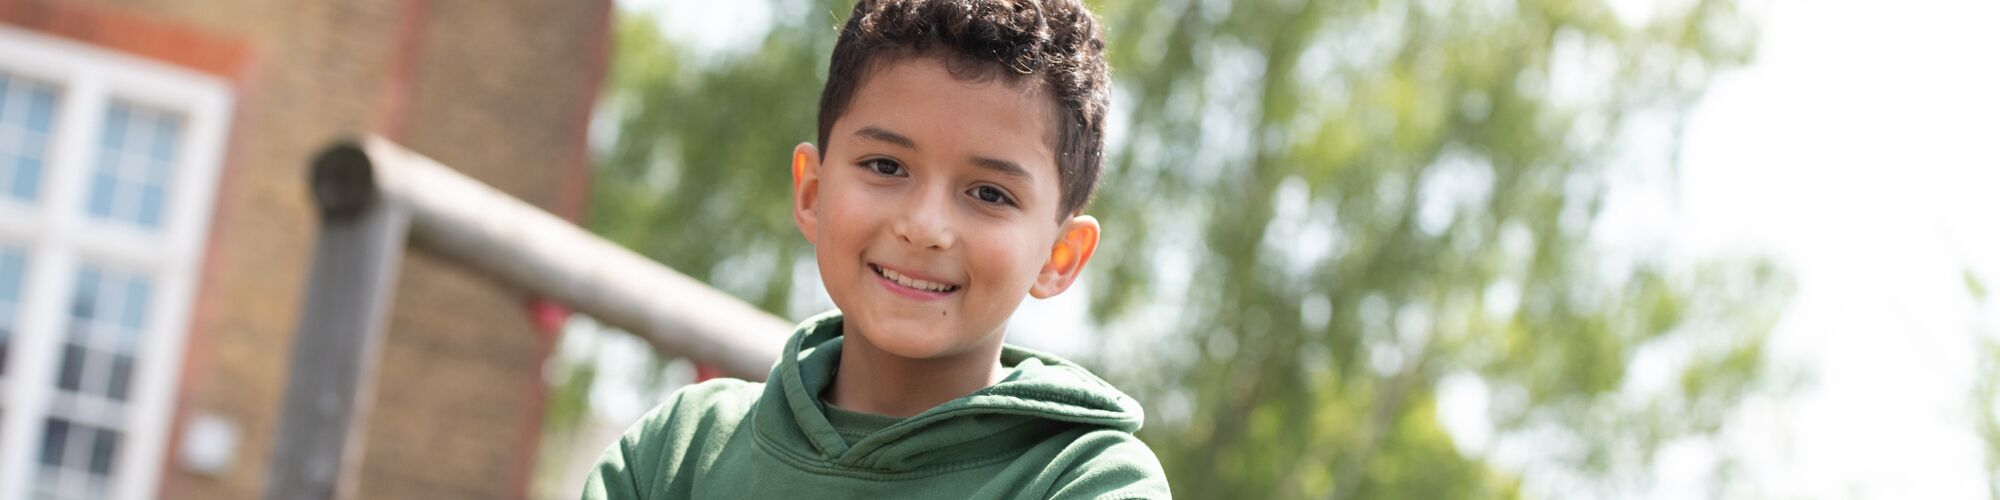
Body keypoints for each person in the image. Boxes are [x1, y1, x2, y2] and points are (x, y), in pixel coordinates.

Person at [583, 0, 1168, 497]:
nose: (924, 226)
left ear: (1060, 257)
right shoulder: (678, 452)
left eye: (990, 193)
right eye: (886, 166)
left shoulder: (1086, 480)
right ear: (812, 192)